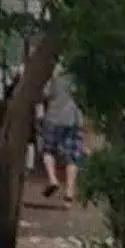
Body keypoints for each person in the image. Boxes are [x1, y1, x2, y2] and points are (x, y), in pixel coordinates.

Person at [40, 67, 84, 204]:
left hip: (53, 117)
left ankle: (53, 179)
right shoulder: (78, 75)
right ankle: (69, 192)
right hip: (73, 119)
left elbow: (44, 94)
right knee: (72, 156)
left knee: (48, 150)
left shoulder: (53, 74)